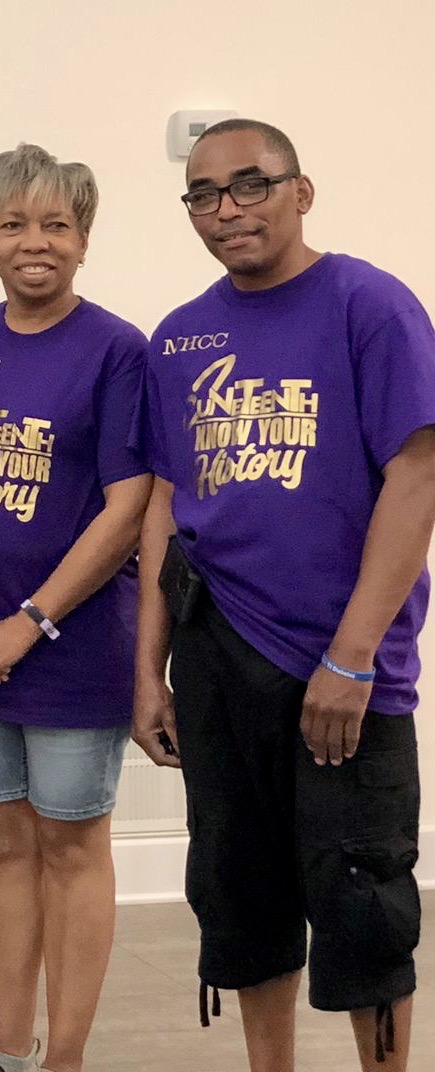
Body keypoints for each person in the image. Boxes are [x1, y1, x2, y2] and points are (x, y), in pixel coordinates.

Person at [135, 118, 435, 1072]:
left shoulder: (368, 306)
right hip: (218, 654)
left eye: (250, 185)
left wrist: (350, 657)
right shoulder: (179, 339)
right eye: (204, 195)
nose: (227, 210)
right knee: (238, 896)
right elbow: (165, 505)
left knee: (363, 905)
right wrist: (148, 671)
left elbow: (418, 476)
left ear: (301, 191)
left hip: (343, 669)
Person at [0, 144, 149, 1072]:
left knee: (70, 843)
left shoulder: (115, 350)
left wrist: (28, 623)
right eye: (13, 224)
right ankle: (7, 1054)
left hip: (72, 650)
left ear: (84, 239)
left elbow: (126, 509)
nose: (34, 241)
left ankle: (64, 1061)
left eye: (55, 224)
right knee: (0, 839)